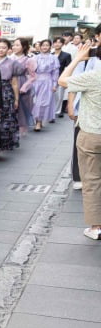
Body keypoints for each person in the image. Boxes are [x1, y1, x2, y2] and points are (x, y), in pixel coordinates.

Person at [58, 42, 101, 239]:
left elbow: (62, 80)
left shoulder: (93, 77)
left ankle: (96, 227)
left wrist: (77, 58)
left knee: (92, 181)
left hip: (92, 133)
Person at [0, 39, 21, 151]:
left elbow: (14, 82)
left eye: (4, 47)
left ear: (8, 49)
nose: (1, 50)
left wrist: (17, 99)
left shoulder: (12, 63)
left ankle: (6, 143)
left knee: (7, 117)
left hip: (7, 91)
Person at [30, 39, 60, 131]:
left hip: (47, 81)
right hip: (35, 81)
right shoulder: (35, 57)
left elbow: (55, 72)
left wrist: (55, 84)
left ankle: (39, 122)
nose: (44, 47)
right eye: (43, 45)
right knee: (35, 102)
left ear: (50, 47)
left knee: (43, 102)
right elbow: (30, 71)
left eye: (47, 45)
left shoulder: (54, 58)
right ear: (40, 46)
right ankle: (37, 120)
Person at [12, 37, 35, 133]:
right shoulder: (9, 58)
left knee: (22, 109)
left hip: (22, 83)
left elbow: (33, 76)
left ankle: (21, 129)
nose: (14, 47)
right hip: (10, 83)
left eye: (17, 45)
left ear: (24, 47)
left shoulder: (28, 60)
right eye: (14, 45)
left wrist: (24, 87)